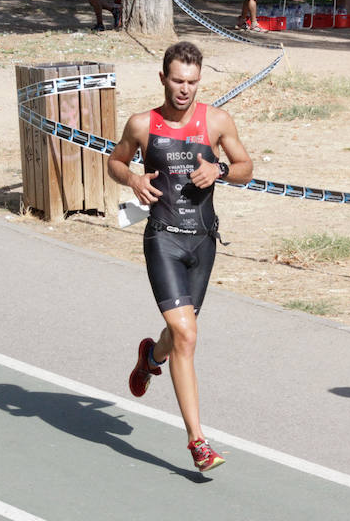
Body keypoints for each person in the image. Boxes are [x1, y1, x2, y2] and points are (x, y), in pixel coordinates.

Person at [108, 42, 253, 472]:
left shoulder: (217, 121)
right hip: (163, 240)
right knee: (188, 336)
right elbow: (116, 161)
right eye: (176, 81)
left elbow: (246, 167)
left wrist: (221, 170)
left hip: (203, 242)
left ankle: (151, 357)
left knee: (180, 333)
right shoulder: (141, 124)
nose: (184, 90)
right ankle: (198, 442)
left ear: (199, 81)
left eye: (191, 82)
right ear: (163, 78)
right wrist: (133, 178)